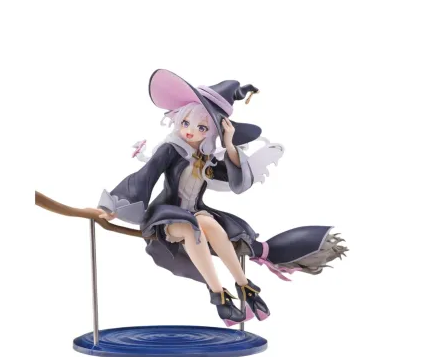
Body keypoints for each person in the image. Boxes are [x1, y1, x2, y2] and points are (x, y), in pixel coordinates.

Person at [94, 69, 347, 326]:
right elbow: (144, 176)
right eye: (186, 123)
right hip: (166, 216)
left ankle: (244, 286)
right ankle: (218, 296)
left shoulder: (206, 159)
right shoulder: (171, 150)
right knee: (193, 227)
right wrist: (115, 205)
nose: (190, 131)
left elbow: (238, 182)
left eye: (201, 127)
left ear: (211, 132)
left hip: (196, 213)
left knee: (209, 224)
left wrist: (229, 143)